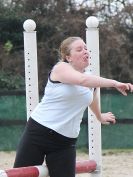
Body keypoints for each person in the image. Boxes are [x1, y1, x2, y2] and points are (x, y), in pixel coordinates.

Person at [13, 36, 133, 177]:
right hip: (39, 132)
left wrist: (99, 116)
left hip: (65, 142)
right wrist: (114, 83)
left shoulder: (90, 78)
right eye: (79, 49)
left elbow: (91, 97)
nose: (86, 51)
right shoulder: (60, 68)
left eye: (86, 48)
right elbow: (83, 81)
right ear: (68, 57)